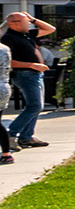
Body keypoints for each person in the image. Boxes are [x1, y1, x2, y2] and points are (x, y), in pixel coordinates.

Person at [3, 10, 53, 149]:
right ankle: (12, 133)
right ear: (14, 24)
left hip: (35, 74)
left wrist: (33, 19)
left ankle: (26, 137)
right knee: (35, 106)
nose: (28, 24)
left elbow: (51, 29)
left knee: (36, 107)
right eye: (25, 22)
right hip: (24, 74)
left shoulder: (27, 35)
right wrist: (32, 65)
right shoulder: (8, 38)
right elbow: (8, 61)